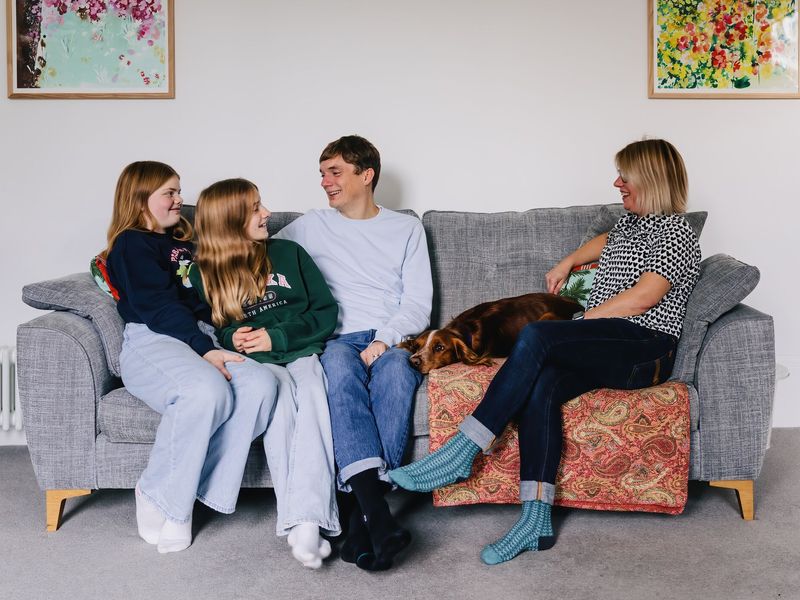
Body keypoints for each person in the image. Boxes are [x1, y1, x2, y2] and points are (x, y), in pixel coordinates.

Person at [389, 138, 702, 565]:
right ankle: (535, 520)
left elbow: (644, 297)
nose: (617, 183)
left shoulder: (676, 233)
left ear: (650, 179)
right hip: (611, 342)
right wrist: (568, 262)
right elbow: (605, 241)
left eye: (624, 177)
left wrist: (579, 325)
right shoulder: (634, 224)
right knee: (543, 386)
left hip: (645, 349)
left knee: (538, 335)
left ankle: (463, 449)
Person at [274, 135, 433, 571]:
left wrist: (386, 339)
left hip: (393, 337)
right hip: (337, 339)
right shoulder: (310, 226)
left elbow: (418, 302)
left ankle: (361, 516)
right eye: (322, 173)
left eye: (335, 172)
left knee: (398, 375)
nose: (325, 182)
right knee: (340, 377)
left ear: (367, 175)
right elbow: (252, 249)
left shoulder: (406, 228)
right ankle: (377, 516)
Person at [103, 161, 279, 554]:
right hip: (154, 338)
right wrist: (206, 351)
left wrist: (227, 334)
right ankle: (167, 501)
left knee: (263, 386)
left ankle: (184, 489)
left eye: (179, 191)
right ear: (139, 199)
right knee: (204, 393)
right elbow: (158, 308)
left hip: (201, 335)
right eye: (170, 192)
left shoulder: (185, 242)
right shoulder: (133, 244)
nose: (181, 199)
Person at [189, 178, 340, 569]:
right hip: (260, 365)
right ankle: (301, 519)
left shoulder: (289, 253)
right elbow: (215, 327)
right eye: (256, 208)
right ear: (229, 220)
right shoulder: (203, 273)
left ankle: (306, 518)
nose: (267, 213)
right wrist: (232, 336)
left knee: (311, 398)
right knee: (280, 408)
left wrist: (277, 335)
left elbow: (324, 313)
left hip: (302, 350)